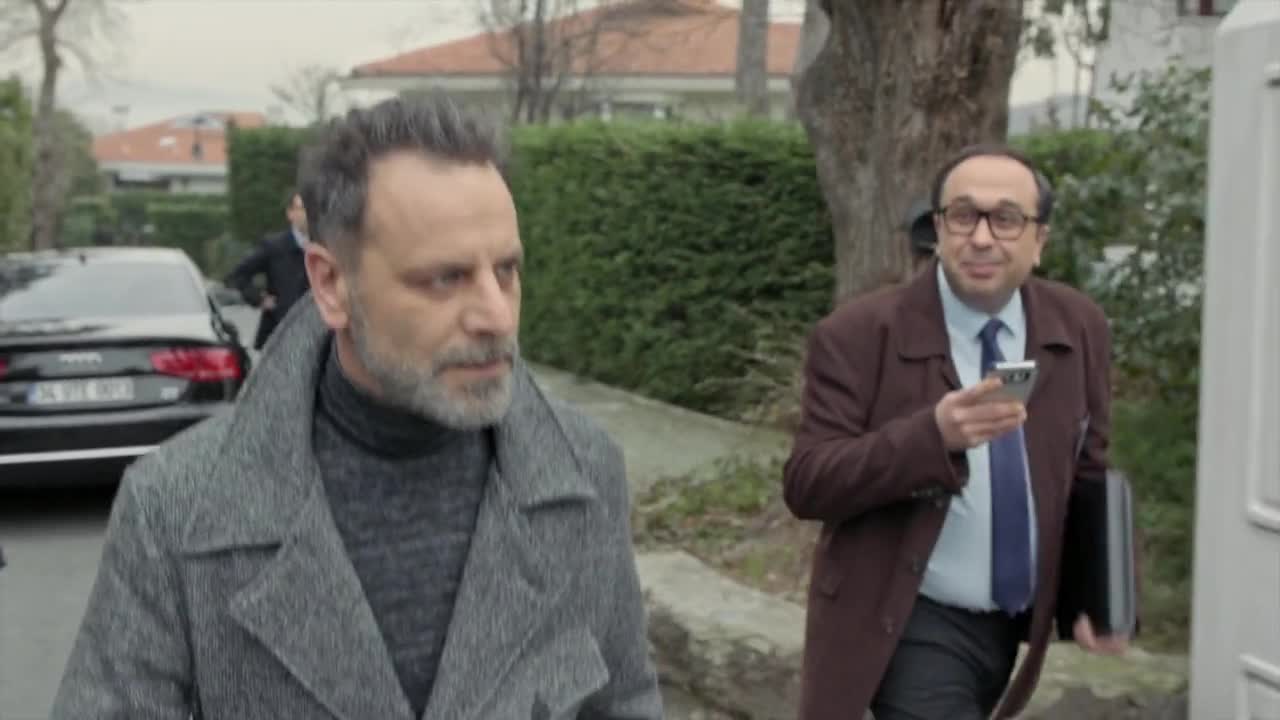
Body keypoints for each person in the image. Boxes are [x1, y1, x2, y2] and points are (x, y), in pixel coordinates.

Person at [51, 92, 663, 720]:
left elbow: (624, 700)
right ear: (331, 284)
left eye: (506, 271)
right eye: (445, 278)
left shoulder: (586, 471)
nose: (497, 316)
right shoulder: (173, 506)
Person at [782, 144, 1131, 720]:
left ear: (1039, 240)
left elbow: (1088, 467)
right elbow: (808, 483)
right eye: (964, 216)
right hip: (912, 618)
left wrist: (1096, 594)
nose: (982, 238)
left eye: (1006, 219)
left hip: (1016, 625)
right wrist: (931, 437)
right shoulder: (857, 334)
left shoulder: (1078, 325)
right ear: (939, 229)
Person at [224, 189, 312, 350]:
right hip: (279, 333)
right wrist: (258, 297)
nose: (308, 213)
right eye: (303, 208)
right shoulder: (275, 246)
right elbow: (237, 276)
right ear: (290, 213)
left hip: (317, 333)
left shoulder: (326, 245)